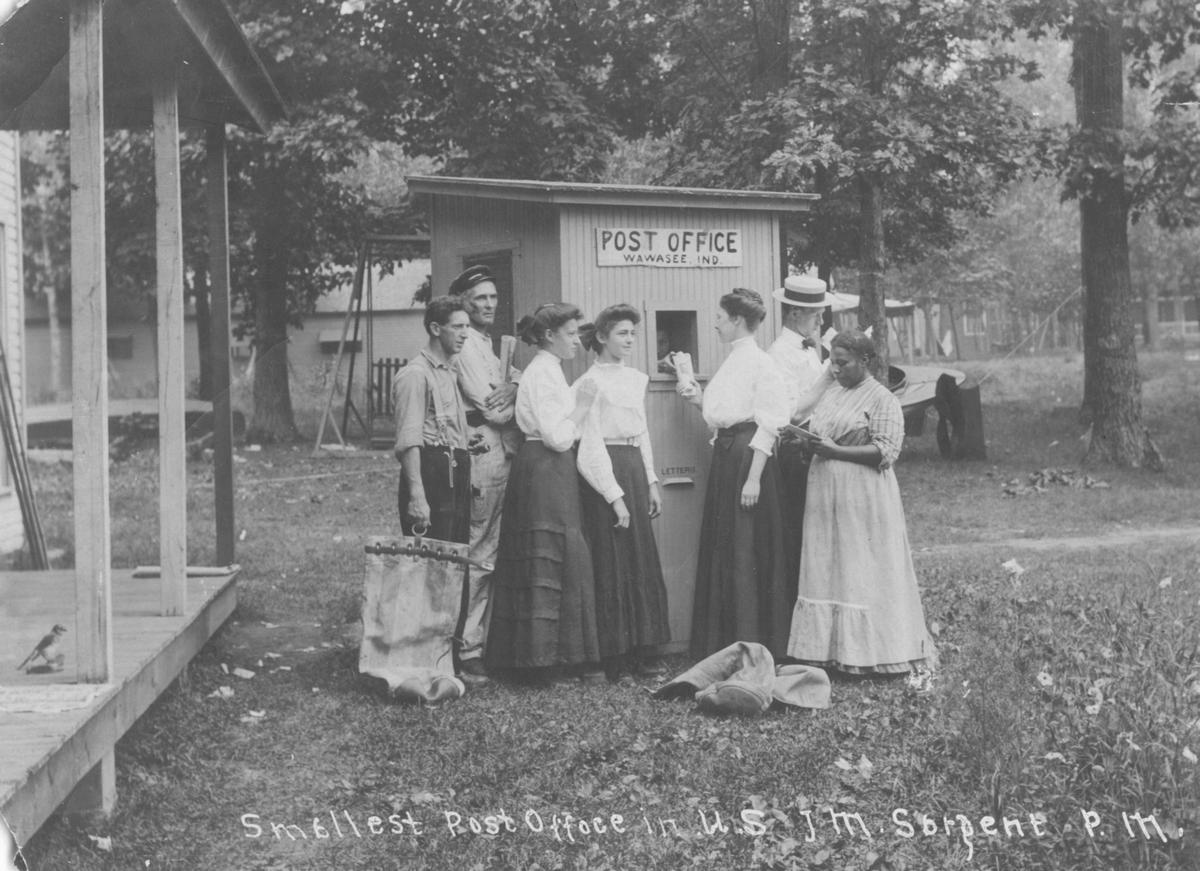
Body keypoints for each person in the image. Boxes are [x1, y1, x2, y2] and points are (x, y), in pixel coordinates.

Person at [786, 329, 938, 675]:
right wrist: (806, 444)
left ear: (865, 361)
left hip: (862, 493)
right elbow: (820, 429)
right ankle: (828, 651)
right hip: (825, 490)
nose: (835, 370)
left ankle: (870, 655)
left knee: (860, 565)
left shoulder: (881, 398)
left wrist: (836, 451)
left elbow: (886, 451)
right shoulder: (833, 392)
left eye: (843, 363)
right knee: (828, 564)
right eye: (833, 363)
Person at [484, 303, 604, 682]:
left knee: (558, 556)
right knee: (550, 556)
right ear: (550, 336)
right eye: (570, 333)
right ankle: (543, 662)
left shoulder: (549, 371)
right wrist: (582, 407)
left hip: (548, 469)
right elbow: (556, 436)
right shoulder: (543, 373)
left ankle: (556, 658)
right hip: (544, 467)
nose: (576, 340)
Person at [676, 288, 793, 659]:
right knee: (727, 544)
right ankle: (724, 642)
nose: (714, 323)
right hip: (728, 456)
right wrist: (696, 397)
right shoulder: (733, 361)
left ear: (738, 321)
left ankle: (754, 641)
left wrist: (754, 477)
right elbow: (722, 417)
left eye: (720, 317)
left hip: (748, 459)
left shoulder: (761, 363)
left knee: (746, 547)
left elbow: (769, 423)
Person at [575, 304, 671, 678]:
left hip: (632, 465)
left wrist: (651, 480)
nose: (630, 340)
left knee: (639, 559)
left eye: (633, 333)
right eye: (622, 333)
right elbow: (591, 444)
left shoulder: (635, 378)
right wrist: (613, 493)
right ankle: (613, 656)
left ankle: (644, 651)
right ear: (601, 337)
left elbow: (641, 430)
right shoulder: (588, 383)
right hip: (605, 472)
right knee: (611, 560)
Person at [447, 265, 522, 683]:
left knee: (490, 547)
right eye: (480, 298)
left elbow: (511, 382)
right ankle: (467, 649)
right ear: (464, 302)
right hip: (482, 447)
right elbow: (493, 408)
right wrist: (518, 394)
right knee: (480, 550)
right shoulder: (465, 346)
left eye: (493, 297)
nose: (489, 304)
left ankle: (481, 641)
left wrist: (515, 385)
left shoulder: (488, 344)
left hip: (500, 448)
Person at [767, 274, 834, 590]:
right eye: (815, 313)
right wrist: (828, 376)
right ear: (794, 313)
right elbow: (791, 412)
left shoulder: (808, 348)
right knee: (802, 528)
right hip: (798, 450)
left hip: (819, 444)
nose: (821, 319)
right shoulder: (779, 354)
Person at [392, 296, 472, 542]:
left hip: (454, 476)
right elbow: (409, 441)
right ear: (436, 329)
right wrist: (417, 496)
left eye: (467, 327)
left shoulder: (449, 371)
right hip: (430, 479)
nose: (465, 334)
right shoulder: (415, 375)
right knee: (429, 569)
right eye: (458, 327)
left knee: (454, 567)